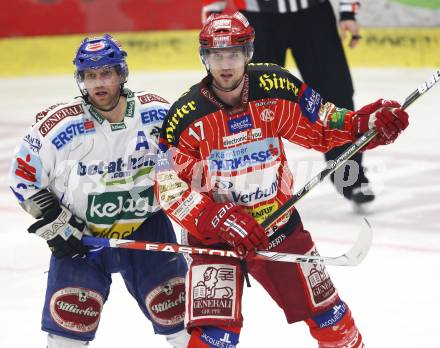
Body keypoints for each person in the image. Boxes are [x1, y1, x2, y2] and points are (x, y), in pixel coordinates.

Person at [155, 12, 408, 347]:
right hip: (215, 240)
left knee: (332, 321)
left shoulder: (276, 85)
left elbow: (321, 124)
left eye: (233, 54)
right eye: (216, 55)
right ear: (204, 58)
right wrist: (215, 216)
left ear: (248, 53)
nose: (225, 64)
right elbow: (169, 188)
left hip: (278, 228)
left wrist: (366, 124)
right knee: (214, 338)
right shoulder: (184, 117)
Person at [8, 34, 189, 347]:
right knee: (67, 338)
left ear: (121, 74)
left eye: (106, 73)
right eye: (90, 76)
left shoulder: (158, 114)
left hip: (147, 230)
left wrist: (200, 216)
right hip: (82, 237)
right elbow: (23, 178)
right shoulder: (59, 127)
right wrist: (57, 225)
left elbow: (192, 164)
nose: (98, 83)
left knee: (183, 327)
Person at [201, 0, 374, 209]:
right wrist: (213, 10)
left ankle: (350, 178)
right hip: (257, 19)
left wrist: (348, 10)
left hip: (314, 15)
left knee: (335, 94)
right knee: (246, 103)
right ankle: (241, 186)